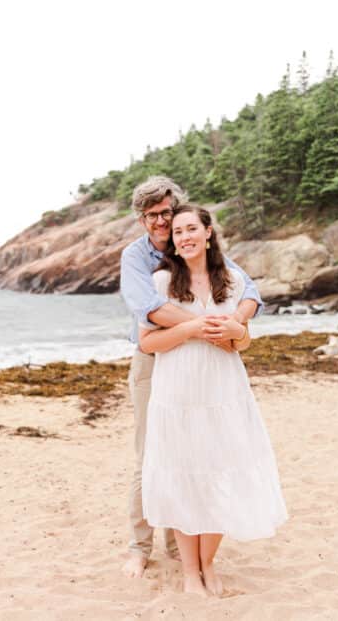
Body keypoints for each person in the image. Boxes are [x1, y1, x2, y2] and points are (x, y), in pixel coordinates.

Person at [138, 204, 287, 596]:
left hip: (224, 392)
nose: (184, 237)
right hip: (177, 395)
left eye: (191, 229)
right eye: (178, 232)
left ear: (208, 233)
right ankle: (190, 573)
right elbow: (147, 342)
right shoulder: (161, 283)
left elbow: (241, 344)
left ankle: (208, 565)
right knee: (184, 479)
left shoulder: (233, 282)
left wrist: (238, 329)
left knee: (223, 475)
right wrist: (190, 329)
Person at [119, 177, 264, 580]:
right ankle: (139, 547)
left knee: (199, 455)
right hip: (157, 360)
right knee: (152, 454)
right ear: (142, 219)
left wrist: (235, 325)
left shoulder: (195, 242)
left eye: (167, 212)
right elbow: (149, 310)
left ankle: (179, 545)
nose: (162, 222)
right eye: (152, 216)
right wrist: (204, 324)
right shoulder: (137, 257)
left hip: (210, 363)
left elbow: (249, 290)